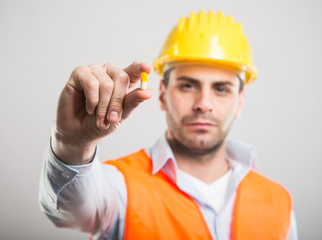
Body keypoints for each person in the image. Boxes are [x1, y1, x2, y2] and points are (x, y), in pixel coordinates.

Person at [39, 10, 298, 240]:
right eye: (188, 85)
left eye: (221, 88)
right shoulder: (118, 187)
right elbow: (69, 211)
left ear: (240, 102)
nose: (203, 103)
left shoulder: (279, 201)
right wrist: (72, 143)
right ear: (162, 94)